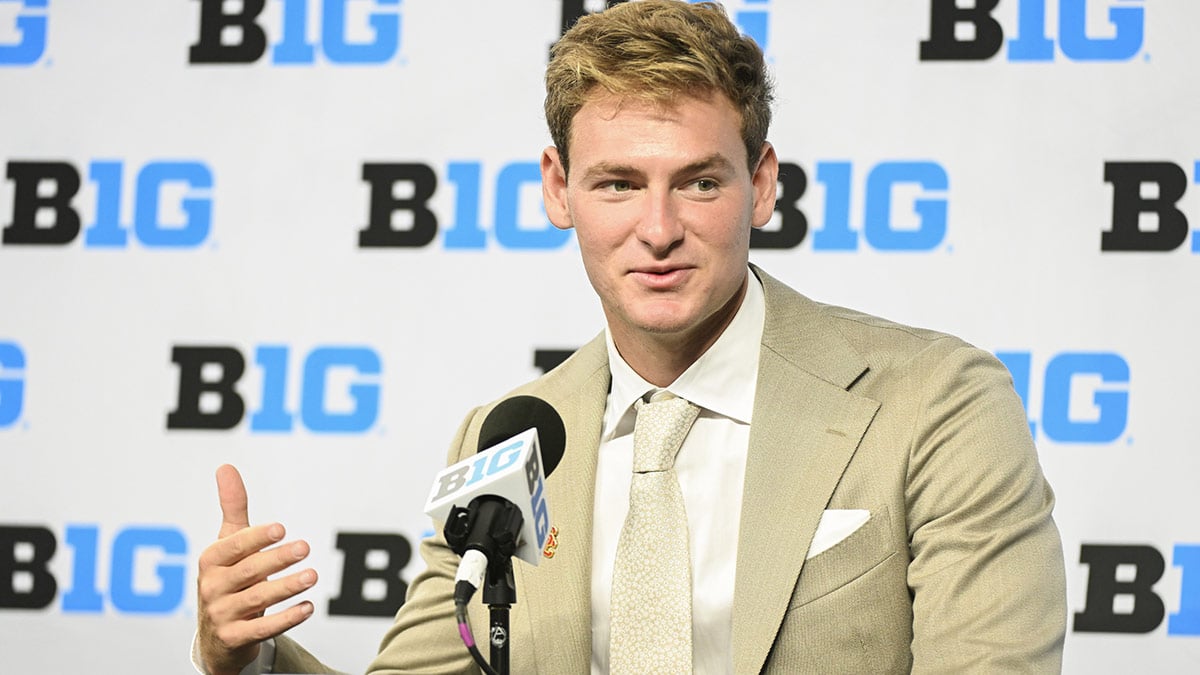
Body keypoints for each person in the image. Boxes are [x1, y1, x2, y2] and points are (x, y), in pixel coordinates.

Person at [195, 2, 1068, 673]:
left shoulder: (936, 402)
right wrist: (247, 656)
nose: (657, 229)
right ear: (558, 189)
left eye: (697, 182)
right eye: (616, 183)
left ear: (762, 185)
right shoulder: (510, 436)